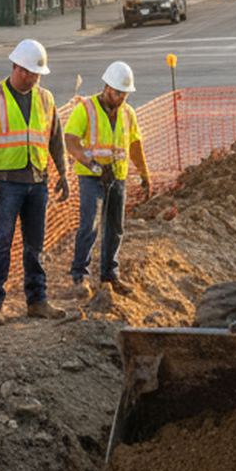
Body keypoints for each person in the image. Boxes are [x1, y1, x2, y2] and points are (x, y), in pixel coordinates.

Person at [0, 38, 70, 326]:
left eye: (38, 74)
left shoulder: (45, 98)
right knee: (1, 243)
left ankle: (37, 301)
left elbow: (55, 139)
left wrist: (63, 173)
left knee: (35, 245)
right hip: (6, 183)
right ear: (17, 68)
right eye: (30, 73)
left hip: (37, 181)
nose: (34, 79)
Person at [64, 61, 151, 298]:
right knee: (89, 225)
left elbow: (134, 145)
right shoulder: (86, 109)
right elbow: (71, 140)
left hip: (118, 177)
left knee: (116, 228)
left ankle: (109, 275)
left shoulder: (128, 113)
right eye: (117, 92)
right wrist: (91, 164)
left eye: (124, 93)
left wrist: (144, 173)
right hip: (92, 177)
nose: (121, 97)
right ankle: (80, 274)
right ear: (106, 87)